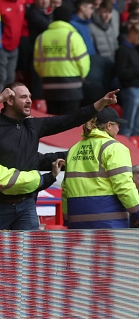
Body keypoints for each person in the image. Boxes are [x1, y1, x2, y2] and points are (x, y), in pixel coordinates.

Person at [0, 83, 118, 230]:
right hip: (1, 204)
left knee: (29, 251)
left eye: (30, 96)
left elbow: (70, 119)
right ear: (10, 100)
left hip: (26, 205)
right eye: (23, 97)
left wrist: (100, 104)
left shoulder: (33, 125)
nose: (29, 100)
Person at [62, 107, 139, 228]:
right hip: (109, 223)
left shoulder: (73, 149)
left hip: (77, 223)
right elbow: (123, 185)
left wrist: (67, 218)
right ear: (109, 126)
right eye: (117, 125)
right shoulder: (114, 148)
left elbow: (65, 188)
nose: (119, 129)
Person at [33, 5, 90, 115]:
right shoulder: (73, 36)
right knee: (69, 123)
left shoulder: (41, 37)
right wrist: (82, 76)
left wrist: (44, 75)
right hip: (72, 87)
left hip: (49, 86)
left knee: (52, 122)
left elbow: (37, 63)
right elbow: (83, 62)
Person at [0, 0, 26, 90]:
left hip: (14, 47)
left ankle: (6, 106)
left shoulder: (21, 0)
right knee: (1, 78)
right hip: (1, 47)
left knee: (10, 79)